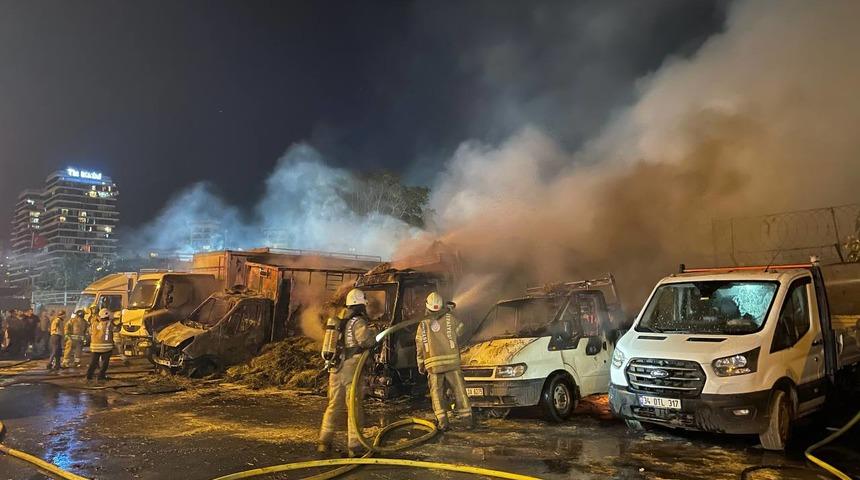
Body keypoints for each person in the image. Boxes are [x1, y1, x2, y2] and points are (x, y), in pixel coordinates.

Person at [317, 288, 377, 458]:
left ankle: (324, 442)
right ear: (360, 304)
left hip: (335, 369)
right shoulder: (357, 322)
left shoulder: (340, 319)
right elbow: (366, 341)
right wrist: (374, 333)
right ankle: (355, 446)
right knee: (353, 406)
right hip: (351, 369)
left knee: (333, 405)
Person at [415, 292, 474, 431]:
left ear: (427, 306)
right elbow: (461, 331)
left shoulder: (423, 324)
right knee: (459, 390)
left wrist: (421, 364)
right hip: (452, 362)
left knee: (437, 394)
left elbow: (420, 346)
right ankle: (467, 420)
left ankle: (443, 422)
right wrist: (452, 315)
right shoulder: (450, 318)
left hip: (433, 366)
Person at [87, 308, 115, 382]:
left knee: (93, 362)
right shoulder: (109, 324)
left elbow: (90, 332)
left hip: (94, 347)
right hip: (106, 347)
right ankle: (101, 376)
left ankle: (89, 376)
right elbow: (116, 329)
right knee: (104, 363)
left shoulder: (94, 324)